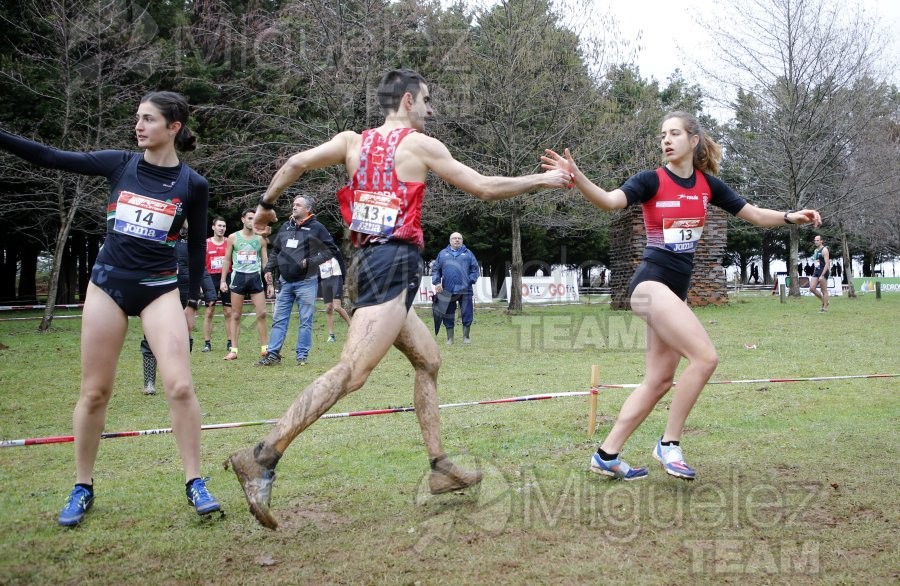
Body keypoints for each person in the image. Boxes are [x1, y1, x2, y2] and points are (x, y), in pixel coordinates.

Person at [224, 68, 571, 529]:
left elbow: (294, 164)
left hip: (368, 264)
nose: (431, 110)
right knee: (352, 372)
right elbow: (484, 187)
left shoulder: (351, 141)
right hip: (391, 267)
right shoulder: (418, 144)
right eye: (427, 101)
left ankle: (440, 467)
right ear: (407, 101)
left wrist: (267, 205)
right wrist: (543, 181)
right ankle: (262, 457)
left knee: (427, 360)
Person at [542, 110, 821, 481]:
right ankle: (669, 443)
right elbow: (609, 202)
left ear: (694, 140)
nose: (666, 141)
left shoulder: (708, 187)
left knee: (658, 381)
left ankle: (606, 455)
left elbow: (753, 214)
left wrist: (790, 217)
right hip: (649, 285)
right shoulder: (650, 181)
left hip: (674, 292)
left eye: (674, 134)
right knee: (705, 358)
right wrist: (578, 178)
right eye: (662, 135)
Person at [0, 91, 221, 526]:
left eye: (148, 119)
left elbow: (196, 246)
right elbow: (49, 156)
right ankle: (82, 486)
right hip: (108, 287)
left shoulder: (193, 184)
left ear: (173, 127)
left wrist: (192, 299)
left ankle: (195, 481)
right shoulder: (118, 163)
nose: (138, 126)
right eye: (137, 118)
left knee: (179, 386)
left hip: (160, 290)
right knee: (95, 391)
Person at [257, 195, 341, 366]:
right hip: (285, 281)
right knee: (279, 319)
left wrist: (310, 262)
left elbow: (331, 250)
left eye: (298, 205)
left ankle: (301, 356)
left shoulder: (317, 228)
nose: (294, 207)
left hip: (306, 282)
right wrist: (268, 269)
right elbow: (276, 251)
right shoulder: (287, 226)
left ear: (307, 209)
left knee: (305, 320)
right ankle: (273, 355)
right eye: (293, 204)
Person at [142, 222, 195, 395]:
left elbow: (198, 267)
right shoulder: (154, 239)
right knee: (151, 335)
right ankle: (149, 381)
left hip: (183, 290)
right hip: (158, 289)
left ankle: (182, 378)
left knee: (184, 335)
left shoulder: (189, 243)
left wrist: (204, 291)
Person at [220, 208, 268, 360]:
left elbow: (265, 262)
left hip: (255, 278)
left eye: (254, 218)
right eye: (249, 218)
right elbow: (227, 260)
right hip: (238, 278)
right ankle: (234, 350)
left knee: (262, 313)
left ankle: (265, 349)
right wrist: (222, 280)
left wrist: (270, 282)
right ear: (243, 219)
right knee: (236, 315)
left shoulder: (260, 239)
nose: (251, 221)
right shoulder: (233, 238)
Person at [431, 232, 480, 344]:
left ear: (462, 241)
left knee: (467, 313)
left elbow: (475, 269)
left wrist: (470, 280)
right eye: (454, 238)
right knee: (448, 314)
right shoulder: (442, 254)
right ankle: (450, 338)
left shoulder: (468, 254)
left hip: (465, 290)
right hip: (447, 290)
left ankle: (466, 337)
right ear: (450, 241)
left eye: (459, 238)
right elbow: (435, 270)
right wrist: (437, 282)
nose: (457, 240)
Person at [201, 216, 233, 353]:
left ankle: (230, 342)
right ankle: (207, 343)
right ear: (213, 227)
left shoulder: (230, 242)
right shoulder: (206, 243)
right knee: (209, 311)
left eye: (224, 226)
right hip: (210, 278)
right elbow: (200, 264)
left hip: (227, 277)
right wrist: (200, 284)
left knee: (228, 311)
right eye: (219, 226)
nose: (222, 228)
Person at [318, 252, 351, 343]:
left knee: (336, 307)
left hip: (336, 279)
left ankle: (351, 326)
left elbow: (341, 263)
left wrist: (343, 280)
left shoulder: (333, 249)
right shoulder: (315, 251)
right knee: (328, 309)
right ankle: (331, 335)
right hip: (325, 281)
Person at [809, 234, 831, 312]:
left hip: (823, 271)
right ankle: (825, 301)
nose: (816, 242)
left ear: (821, 241)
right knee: (812, 288)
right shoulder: (815, 250)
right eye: (815, 240)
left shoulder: (824, 250)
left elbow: (827, 264)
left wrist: (822, 275)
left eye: (818, 240)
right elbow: (816, 262)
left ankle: (825, 308)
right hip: (817, 271)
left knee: (823, 290)